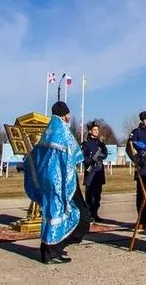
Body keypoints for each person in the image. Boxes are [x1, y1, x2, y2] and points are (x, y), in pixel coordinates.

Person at [25, 101, 90, 264]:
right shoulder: (62, 131)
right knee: (74, 213)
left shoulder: (48, 132)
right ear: (64, 115)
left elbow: (32, 157)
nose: (69, 117)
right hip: (61, 179)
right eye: (68, 114)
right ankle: (51, 251)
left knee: (52, 213)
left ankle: (53, 249)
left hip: (49, 181)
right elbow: (75, 154)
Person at [80, 120, 108, 221]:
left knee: (97, 195)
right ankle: (89, 215)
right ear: (90, 131)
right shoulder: (85, 144)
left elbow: (105, 154)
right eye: (94, 130)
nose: (96, 131)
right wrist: (90, 160)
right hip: (90, 172)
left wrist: (101, 155)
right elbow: (82, 156)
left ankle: (95, 214)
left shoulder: (100, 144)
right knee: (89, 195)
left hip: (99, 171)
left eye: (97, 130)